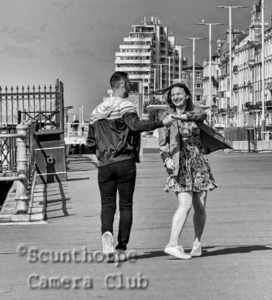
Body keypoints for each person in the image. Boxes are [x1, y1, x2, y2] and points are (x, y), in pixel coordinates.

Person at [87, 71, 174, 254]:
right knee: (126, 205)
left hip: (104, 165)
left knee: (107, 204)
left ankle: (107, 235)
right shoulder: (126, 106)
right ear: (121, 85)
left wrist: (102, 155)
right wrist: (161, 123)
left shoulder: (96, 112)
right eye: (127, 84)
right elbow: (136, 126)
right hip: (125, 162)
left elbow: (90, 142)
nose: (129, 88)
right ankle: (121, 247)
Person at [158, 82, 217, 260]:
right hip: (179, 164)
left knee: (200, 205)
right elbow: (162, 144)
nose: (175, 96)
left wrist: (182, 117)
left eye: (179, 93)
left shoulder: (195, 112)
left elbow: (202, 114)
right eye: (173, 94)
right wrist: (166, 159)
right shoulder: (165, 117)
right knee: (185, 203)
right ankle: (172, 243)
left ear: (187, 96)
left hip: (198, 162)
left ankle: (197, 241)